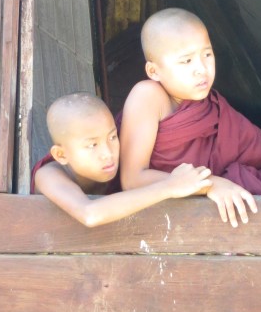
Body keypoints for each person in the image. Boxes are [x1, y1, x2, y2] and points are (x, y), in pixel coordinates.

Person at [119, 8, 261, 228]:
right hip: (165, 213)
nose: (202, 69)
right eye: (186, 61)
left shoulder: (213, 109)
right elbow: (132, 180)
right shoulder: (148, 95)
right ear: (154, 71)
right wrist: (209, 185)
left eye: (207, 54)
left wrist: (219, 184)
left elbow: (255, 157)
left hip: (206, 205)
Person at [32, 91, 212, 227]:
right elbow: (90, 214)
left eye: (112, 137)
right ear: (61, 155)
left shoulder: (123, 164)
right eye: (92, 145)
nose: (108, 153)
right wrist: (170, 186)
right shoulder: (48, 175)